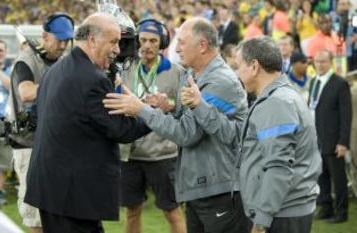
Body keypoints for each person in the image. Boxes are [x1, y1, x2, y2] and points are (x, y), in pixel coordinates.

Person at [103, 17, 250, 233]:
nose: (175, 48)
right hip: (201, 185)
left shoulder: (219, 81)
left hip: (218, 188)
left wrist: (141, 109)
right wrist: (170, 107)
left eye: (181, 42)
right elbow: (190, 120)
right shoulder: (193, 74)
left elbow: (186, 134)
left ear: (202, 45)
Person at [180, 36, 321, 233]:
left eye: (238, 67)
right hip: (280, 210)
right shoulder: (275, 97)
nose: (236, 74)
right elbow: (239, 137)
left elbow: (278, 166)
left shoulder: (277, 103)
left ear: (254, 66)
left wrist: (262, 221)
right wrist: (199, 105)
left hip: (281, 214)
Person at [23, 13, 150, 233]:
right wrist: (150, 113)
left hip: (53, 189)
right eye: (113, 42)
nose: (118, 50)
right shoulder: (92, 79)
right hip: (73, 194)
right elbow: (120, 129)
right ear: (91, 39)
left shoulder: (55, 71)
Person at [9, 13, 75, 233]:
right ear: (45, 36)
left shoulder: (65, 61)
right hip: (29, 144)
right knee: (35, 214)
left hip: (56, 142)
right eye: (60, 40)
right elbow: (26, 93)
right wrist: (60, 83)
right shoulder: (25, 60)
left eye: (67, 40)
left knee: (57, 209)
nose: (64, 45)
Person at [120, 19, 186, 233]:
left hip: (163, 154)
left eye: (153, 41)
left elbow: (186, 109)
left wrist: (170, 104)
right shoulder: (126, 70)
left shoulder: (176, 71)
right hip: (132, 153)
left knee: (172, 212)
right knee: (132, 211)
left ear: (162, 43)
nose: (147, 45)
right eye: (143, 40)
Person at [309, 49, 352, 223]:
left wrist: (343, 142)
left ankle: (341, 212)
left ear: (331, 62)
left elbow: (346, 115)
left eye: (323, 61)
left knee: (338, 179)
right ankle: (325, 207)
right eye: (317, 61)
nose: (319, 64)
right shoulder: (313, 82)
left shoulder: (340, 83)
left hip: (334, 140)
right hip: (316, 139)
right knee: (321, 177)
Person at [0, 39, 12, 208]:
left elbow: (10, 87)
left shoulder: (10, 69)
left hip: (3, 119)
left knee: (2, 159)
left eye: (2, 50)